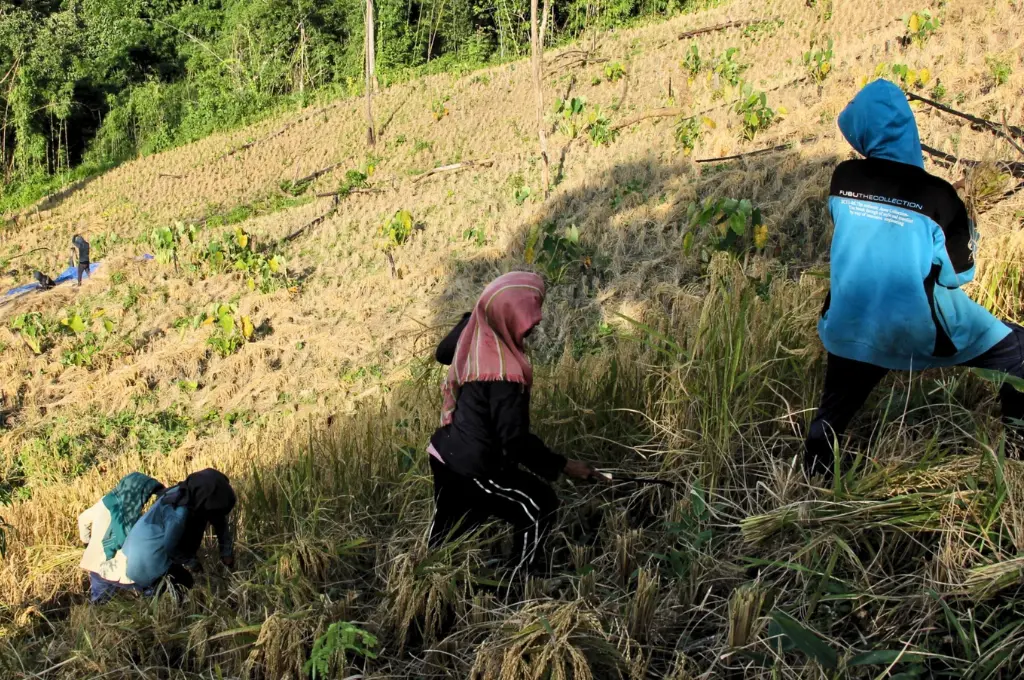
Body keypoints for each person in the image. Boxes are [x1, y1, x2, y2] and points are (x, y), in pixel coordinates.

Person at [806, 79, 1024, 477]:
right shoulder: (940, 195)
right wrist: (966, 225)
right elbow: (961, 275)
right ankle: (1016, 452)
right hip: (915, 327)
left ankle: (812, 477)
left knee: (834, 412)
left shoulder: (843, 178)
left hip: (847, 323)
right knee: (1018, 354)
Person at [427, 272, 597, 575]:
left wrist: (476, 314)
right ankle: (520, 581)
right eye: (530, 312)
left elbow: (443, 352)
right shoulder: (504, 373)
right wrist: (564, 466)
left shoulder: (477, 333)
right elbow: (514, 441)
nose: (537, 320)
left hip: (444, 452)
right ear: (507, 314)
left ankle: (424, 580)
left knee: (450, 530)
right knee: (538, 505)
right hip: (473, 465)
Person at [122, 468, 236, 590]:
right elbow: (170, 546)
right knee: (184, 586)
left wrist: (226, 552)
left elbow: (219, 520)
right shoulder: (179, 512)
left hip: (143, 551)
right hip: (145, 558)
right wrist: (192, 563)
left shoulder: (194, 494)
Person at [78, 472, 165, 603]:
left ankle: (94, 621)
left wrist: (87, 542)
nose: (145, 500)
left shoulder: (106, 501)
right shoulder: (129, 513)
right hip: (115, 564)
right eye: (145, 496)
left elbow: (83, 518)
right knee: (151, 592)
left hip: (95, 562)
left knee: (100, 603)